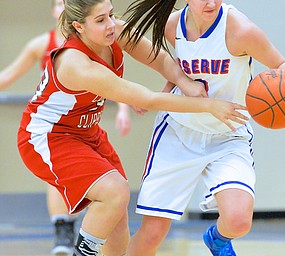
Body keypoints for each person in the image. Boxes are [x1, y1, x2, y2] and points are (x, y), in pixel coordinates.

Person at [16, 0, 249, 255]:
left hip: (87, 133)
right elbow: (147, 99)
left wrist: (183, 81)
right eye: (100, 20)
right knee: (115, 192)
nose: (110, 25)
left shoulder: (116, 31)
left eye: (111, 14)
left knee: (116, 221)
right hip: (47, 136)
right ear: (78, 26)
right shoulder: (75, 63)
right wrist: (210, 106)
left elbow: (158, 58)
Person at [120, 0, 285, 255]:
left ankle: (218, 239)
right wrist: (166, 91)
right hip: (179, 131)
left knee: (238, 220)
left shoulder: (240, 31)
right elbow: (180, 66)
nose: (211, 2)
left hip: (228, 133)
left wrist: (279, 97)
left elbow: (282, 67)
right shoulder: (171, 26)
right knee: (152, 233)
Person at [0, 0, 130, 255]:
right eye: (58, 3)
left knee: (116, 203)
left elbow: (116, 84)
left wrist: (124, 108)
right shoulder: (43, 44)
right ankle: (63, 231)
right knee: (61, 176)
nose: (63, 7)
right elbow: (7, 76)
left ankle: (83, 236)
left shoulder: (102, 40)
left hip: (84, 126)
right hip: (53, 126)